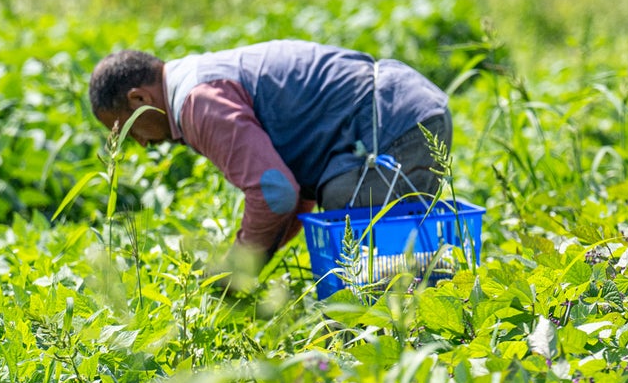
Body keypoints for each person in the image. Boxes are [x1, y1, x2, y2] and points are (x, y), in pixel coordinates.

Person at [86, 40, 450, 275]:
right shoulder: (198, 82)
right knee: (354, 219)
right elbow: (291, 195)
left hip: (396, 124)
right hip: (403, 110)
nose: (142, 143)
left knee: (355, 221)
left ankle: (418, 327)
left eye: (129, 129)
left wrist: (237, 271)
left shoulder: (199, 103)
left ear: (139, 100)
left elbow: (274, 193)